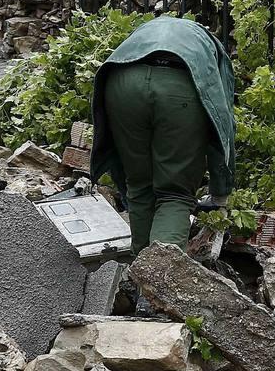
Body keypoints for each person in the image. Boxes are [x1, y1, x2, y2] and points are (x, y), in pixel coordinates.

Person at [89, 16, 235, 253]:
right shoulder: (212, 48)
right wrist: (221, 192)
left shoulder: (145, 31)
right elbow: (223, 122)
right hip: (179, 87)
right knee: (173, 193)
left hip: (122, 83)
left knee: (139, 185)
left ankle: (139, 278)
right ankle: (158, 285)